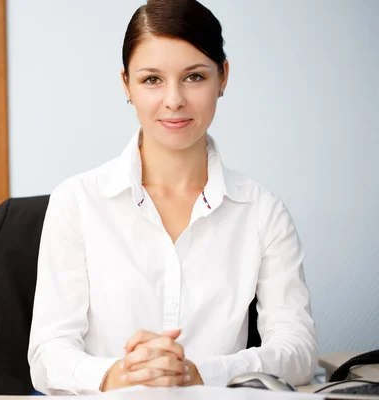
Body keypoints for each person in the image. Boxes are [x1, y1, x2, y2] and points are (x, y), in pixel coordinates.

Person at [27, 0, 318, 395]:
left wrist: (199, 372)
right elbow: (47, 354)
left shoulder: (263, 213)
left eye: (194, 77)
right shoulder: (76, 203)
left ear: (223, 78)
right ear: (126, 84)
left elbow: (298, 352)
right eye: (152, 80)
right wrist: (121, 374)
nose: (174, 100)